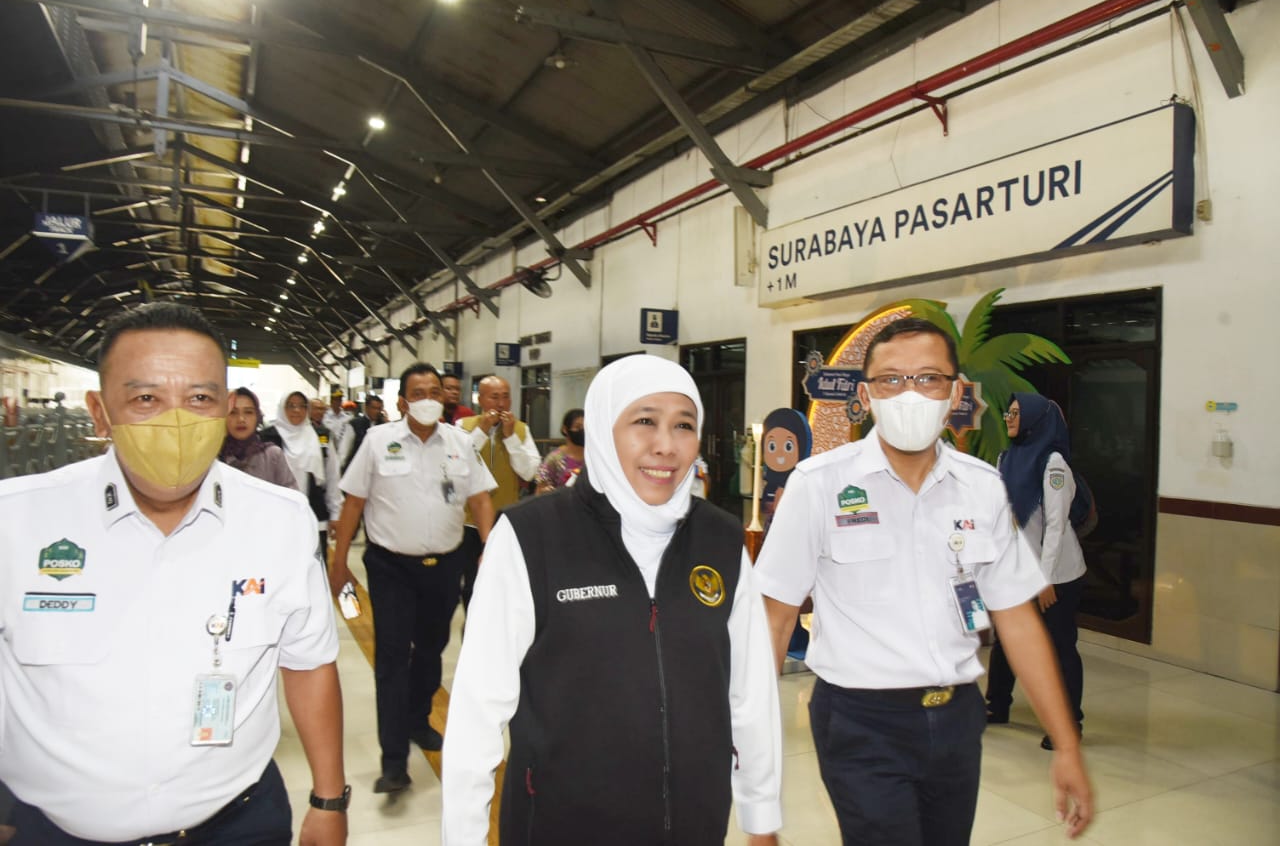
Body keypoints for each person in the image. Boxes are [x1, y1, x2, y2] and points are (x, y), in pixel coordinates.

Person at [0, 301, 348, 844]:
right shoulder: (17, 520)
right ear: (99, 411)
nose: (177, 421)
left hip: (240, 822)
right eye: (145, 398)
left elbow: (308, 664)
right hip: (56, 829)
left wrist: (329, 799)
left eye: (199, 398)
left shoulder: (278, 521)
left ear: (226, 408)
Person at [755, 318, 1093, 845]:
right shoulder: (819, 485)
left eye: (929, 378)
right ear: (865, 396)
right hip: (860, 719)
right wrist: (757, 777)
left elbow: (1017, 620)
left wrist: (1066, 743)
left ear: (955, 392)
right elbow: (774, 624)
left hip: (956, 719)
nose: (909, 393)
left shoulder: (981, 488)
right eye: (890, 380)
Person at [441, 354, 782, 846]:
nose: (665, 446)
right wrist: (463, 837)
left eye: (683, 425)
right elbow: (478, 708)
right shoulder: (532, 536)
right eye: (644, 421)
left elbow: (750, 694)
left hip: (694, 821)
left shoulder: (720, 539)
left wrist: (761, 815)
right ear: (602, 428)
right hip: (562, 822)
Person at [329, 363, 496, 795]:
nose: (427, 398)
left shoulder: (460, 444)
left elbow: (480, 500)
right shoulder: (377, 441)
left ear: (445, 399)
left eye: (435, 391)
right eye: (418, 392)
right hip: (391, 567)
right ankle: (393, 761)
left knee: (431, 649)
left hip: (445, 565)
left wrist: (492, 553)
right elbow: (353, 504)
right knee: (391, 657)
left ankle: (419, 720)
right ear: (402, 401)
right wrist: (339, 560)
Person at [985, 393, 1088, 751]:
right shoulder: (1007, 458)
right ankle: (996, 706)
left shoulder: (1053, 463)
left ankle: (1069, 724)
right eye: (1008, 412)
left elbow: (1056, 526)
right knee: (1008, 642)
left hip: (1056, 575)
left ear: (1033, 419)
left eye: (1015, 413)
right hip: (1018, 571)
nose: (1009, 418)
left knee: (1059, 648)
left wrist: (1044, 581)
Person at [456, 375, 540, 611]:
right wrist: (482, 431)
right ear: (480, 399)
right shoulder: (463, 427)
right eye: (494, 397)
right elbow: (457, 463)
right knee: (470, 581)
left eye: (505, 397)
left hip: (505, 518)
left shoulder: (521, 429)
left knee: (502, 580)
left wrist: (511, 437)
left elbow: (529, 471)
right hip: (468, 521)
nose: (501, 404)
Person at [268, 392, 341, 558]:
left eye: (302, 406)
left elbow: (332, 475)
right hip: (277, 518)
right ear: (282, 408)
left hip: (314, 514)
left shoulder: (321, 435)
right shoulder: (268, 437)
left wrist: (336, 513)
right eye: (291, 406)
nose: (297, 410)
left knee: (313, 567)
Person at [221, 386, 298, 489]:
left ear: (257, 416)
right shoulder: (213, 457)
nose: (241, 419)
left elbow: (291, 497)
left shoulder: (272, 456)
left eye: (248, 412)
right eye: (233, 412)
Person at [534, 408, 584, 493]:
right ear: (565, 429)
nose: (583, 431)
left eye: (585, 427)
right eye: (578, 427)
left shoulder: (593, 458)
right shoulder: (554, 459)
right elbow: (540, 491)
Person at [337, 394, 386, 474]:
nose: (377, 411)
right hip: (356, 469)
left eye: (379, 409)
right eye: (374, 408)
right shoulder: (354, 424)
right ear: (367, 408)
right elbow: (344, 450)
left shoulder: (383, 426)